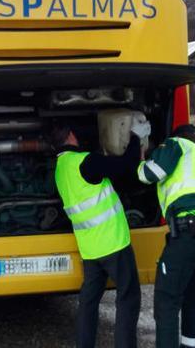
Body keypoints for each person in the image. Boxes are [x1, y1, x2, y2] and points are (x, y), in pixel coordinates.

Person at [50, 119, 151, 348]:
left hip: (90, 249)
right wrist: (135, 136)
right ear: (71, 137)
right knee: (128, 298)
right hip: (113, 243)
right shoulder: (85, 162)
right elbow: (126, 164)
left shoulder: (60, 170)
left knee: (88, 302)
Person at [135, 123, 195, 348]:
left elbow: (150, 174)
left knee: (166, 301)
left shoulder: (176, 144)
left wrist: (139, 158)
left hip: (192, 230)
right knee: (191, 296)